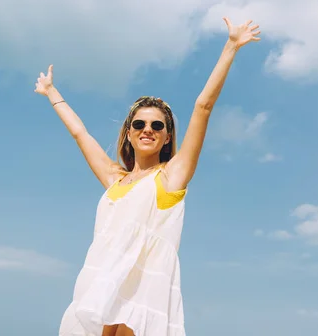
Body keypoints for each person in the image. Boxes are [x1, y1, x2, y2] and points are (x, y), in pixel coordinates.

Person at [34, 17, 261, 336]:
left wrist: (231, 47)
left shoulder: (171, 178)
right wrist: (51, 92)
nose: (148, 130)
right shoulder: (115, 180)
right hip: (102, 282)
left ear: (168, 137)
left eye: (157, 126)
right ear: (128, 133)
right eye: (139, 125)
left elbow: (203, 107)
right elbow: (80, 133)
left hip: (143, 290)